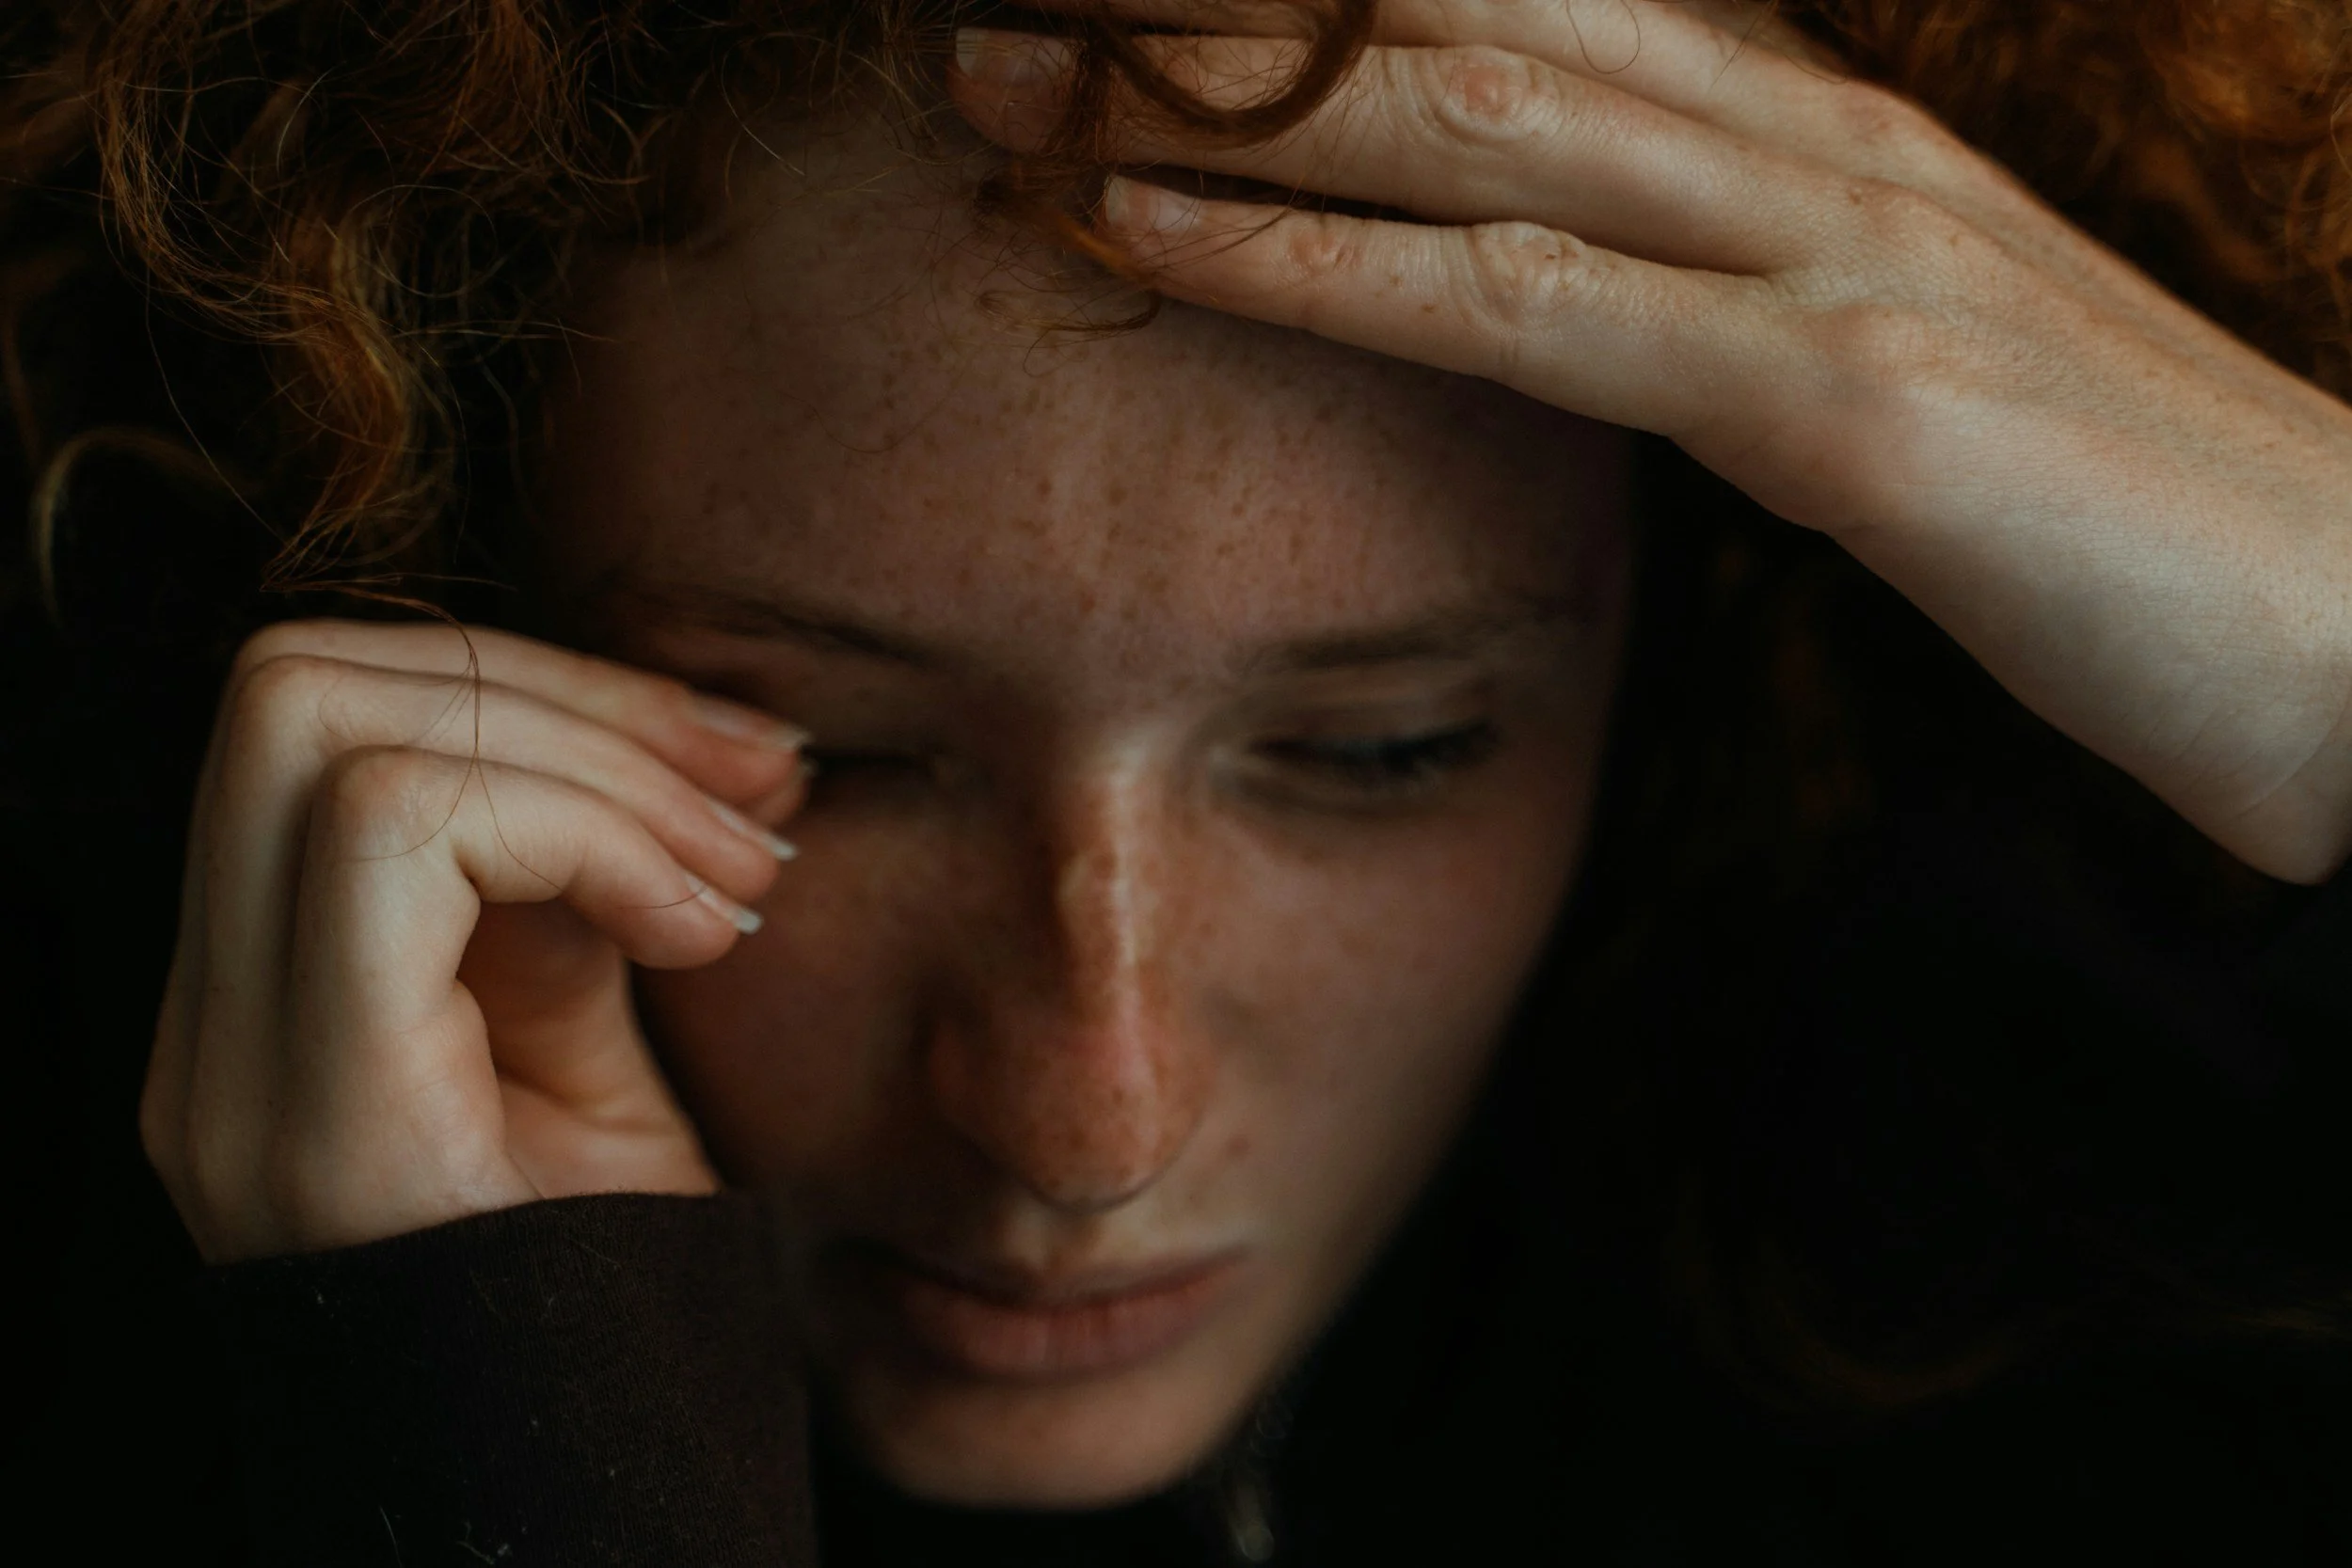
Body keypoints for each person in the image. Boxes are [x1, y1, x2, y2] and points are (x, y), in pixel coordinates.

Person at [8, 0, 2352, 1561]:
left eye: (1382, 747)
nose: (1082, 1115)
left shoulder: (2140, 1253)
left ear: (1707, 638)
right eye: (830, 750)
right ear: (423, 552)